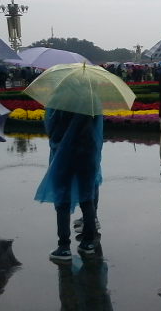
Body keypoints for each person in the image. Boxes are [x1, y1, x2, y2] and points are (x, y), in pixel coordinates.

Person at [35, 92, 104, 261]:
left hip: (63, 156)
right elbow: (97, 129)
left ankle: (64, 247)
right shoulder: (92, 98)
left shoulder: (57, 98)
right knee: (87, 198)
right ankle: (88, 242)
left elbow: (50, 128)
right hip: (87, 154)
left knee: (63, 200)